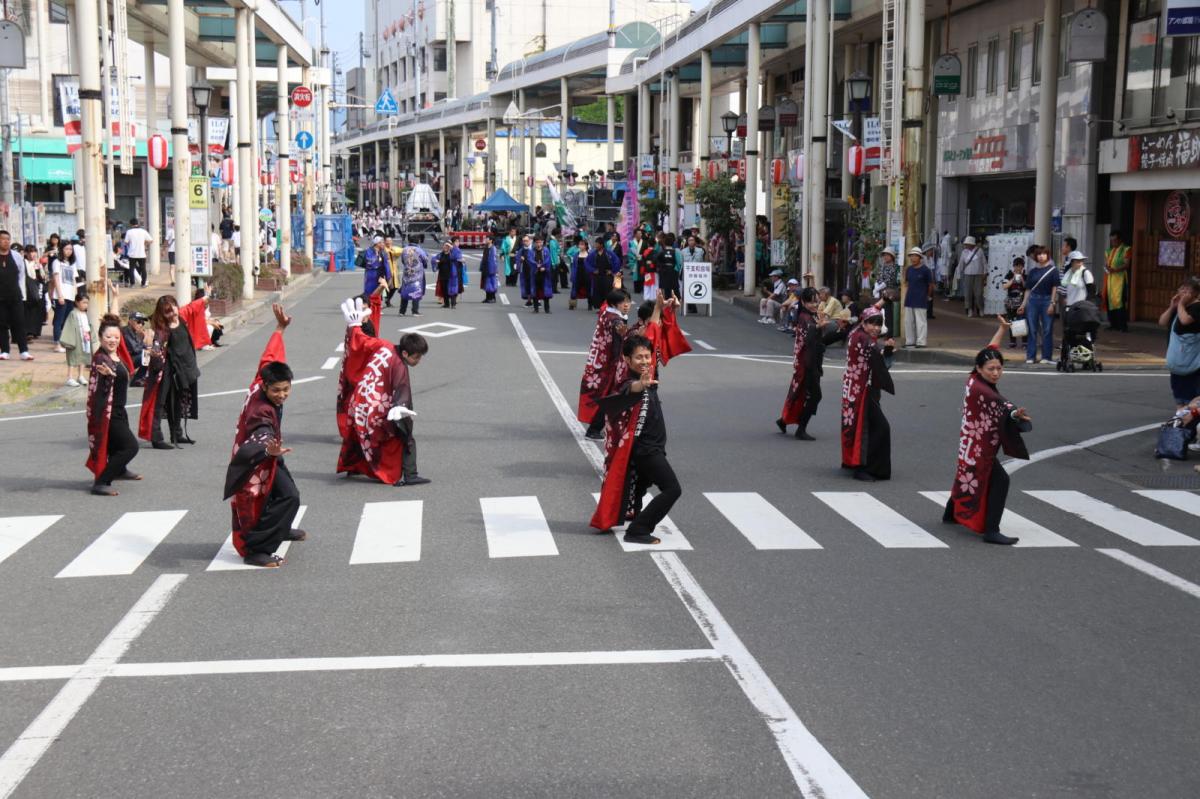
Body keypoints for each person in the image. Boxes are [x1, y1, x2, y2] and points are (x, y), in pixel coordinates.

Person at [223, 304, 307, 568]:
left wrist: (280, 329)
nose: (282, 394)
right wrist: (268, 451)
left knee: (282, 492)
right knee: (289, 495)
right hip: (256, 455)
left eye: (286, 389)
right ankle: (256, 549)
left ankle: (279, 529)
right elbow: (261, 432)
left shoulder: (263, 376)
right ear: (266, 386)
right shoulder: (262, 410)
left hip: (269, 451)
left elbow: (270, 355)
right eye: (277, 391)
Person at [942, 319, 1032, 545]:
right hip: (980, 445)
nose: (996, 373)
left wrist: (1002, 329)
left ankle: (951, 513)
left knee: (966, 474)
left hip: (969, 440)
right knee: (1000, 481)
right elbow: (1004, 406)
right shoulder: (984, 391)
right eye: (991, 369)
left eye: (999, 368)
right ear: (980, 368)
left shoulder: (972, 379)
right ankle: (991, 529)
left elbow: (990, 349)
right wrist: (1016, 415)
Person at [589, 334, 682, 545]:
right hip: (645, 449)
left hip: (653, 446)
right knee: (672, 489)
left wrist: (659, 309)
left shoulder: (649, 375)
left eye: (647, 356)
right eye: (638, 357)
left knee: (639, 486)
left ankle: (633, 514)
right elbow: (631, 388)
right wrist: (641, 384)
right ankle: (639, 529)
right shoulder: (628, 381)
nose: (644, 361)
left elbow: (653, 332)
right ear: (627, 360)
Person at [338, 297, 430, 486]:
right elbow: (402, 389)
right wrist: (400, 408)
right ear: (405, 353)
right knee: (403, 437)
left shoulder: (384, 346)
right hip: (374, 408)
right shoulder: (399, 366)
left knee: (358, 436)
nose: (418, 361)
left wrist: (353, 326)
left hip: (360, 402)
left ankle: (354, 466)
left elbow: (361, 342)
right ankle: (409, 474)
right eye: (417, 357)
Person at [139, 294, 206, 448]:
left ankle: (177, 433)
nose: (172, 314)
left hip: (180, 369)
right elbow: (158, 342)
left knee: (176, 401)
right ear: (162, 314)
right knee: (160, 402)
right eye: (167, 312)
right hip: (165, 369)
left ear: (176, 306)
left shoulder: (181, 320)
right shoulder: (163, 329)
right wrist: (155, 349)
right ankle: (156, 438)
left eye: (173, 309)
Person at [86, 314, 140, 496]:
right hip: (109, 413)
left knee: (116, 445)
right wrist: (108, 375)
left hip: (119, 409)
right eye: (108, 337)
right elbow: (99, 381)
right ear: (101, 338)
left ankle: (120, 470)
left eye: (116, 337)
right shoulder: (101, 359)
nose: (113, 340)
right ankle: (102, 481)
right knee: (130, 447)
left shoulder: (115, 355)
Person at [777, 287, 840, 440]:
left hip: (811, 360)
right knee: (814, 396)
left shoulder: (811, 316)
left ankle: (784, 420)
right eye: (810, 302)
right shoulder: (804, 318)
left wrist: (837, 331)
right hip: (807, 363)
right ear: (803, 302)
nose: (814, 304)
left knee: (801, 393)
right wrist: (818, 327)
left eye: (816, 301)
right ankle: (801, 428)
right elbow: (808, 340)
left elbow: (819, 340)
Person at [841, 306, 895, 482]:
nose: (876, 328)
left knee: (856, 426)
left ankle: (852, 462)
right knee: (875, 428)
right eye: (873, 324)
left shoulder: (855, 333)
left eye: (879, 325)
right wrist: (887, 352)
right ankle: (863, 467)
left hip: (852, 387)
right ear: (864, 323)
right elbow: (881, 365)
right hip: (863, 390)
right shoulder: (867, 341)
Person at [579, 289, 632, 439]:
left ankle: (599, 428)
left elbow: (604, 304)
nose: (626, 305)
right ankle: (594, 429)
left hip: (598, 361)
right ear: (614, 304)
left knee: (605, 395)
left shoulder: (605, 312)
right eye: (622, 302)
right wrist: (620, 364)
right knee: (609, 396)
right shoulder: (616, 320)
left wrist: (616, 284)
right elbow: (617, 345)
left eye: (628, 301)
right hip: (608, 364)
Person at [1158, 277, 1200, 409]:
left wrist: (1181, 305)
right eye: (1181, 289)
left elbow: (1185, 320)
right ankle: (1181, 419)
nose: (1183, 292)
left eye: (1187, 290)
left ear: (1195, 294)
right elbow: (1162, 322)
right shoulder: (1178, 308)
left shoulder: (1197, 307)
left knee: (1191, 397)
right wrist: (1172, 307)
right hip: (1178, 358)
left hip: (1192, 360)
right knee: (1179, 396)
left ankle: (1188, 421)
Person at [1017, 246, 1060, 364]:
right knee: (1032, 329)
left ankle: (1046, 357)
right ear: (1036, 257)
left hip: (1047, 300)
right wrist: (1023, 304)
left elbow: (1054, 288)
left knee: (1047, 329)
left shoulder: (1053, 270)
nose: (1041, 256)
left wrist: (1052, 303)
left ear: (1048, 255)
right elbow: (1028, 289)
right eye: (1039, 254)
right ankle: (1030, 356)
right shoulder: (1033, 271)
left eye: (1044, 254)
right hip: (1033, 301)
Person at [0, 229, 31, 361]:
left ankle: (23, 351)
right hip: (0, 298)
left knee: (19, 323)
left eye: (8, 239)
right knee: (1, 324)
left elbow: (22, 276)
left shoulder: (16, 256)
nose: (6, 241)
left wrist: (23, 294)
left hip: (15, 296)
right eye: (3, 239)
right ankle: (5, 351)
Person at [902, 246, 933, 348]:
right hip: (909, 299)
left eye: (915, 256)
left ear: (920, 257)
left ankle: (921, 342)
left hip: (921, 299)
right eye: (911, 256)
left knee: (921, 322)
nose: (913, 258)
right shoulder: (909, 269)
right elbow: (906, 283)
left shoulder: (926, 270)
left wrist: (928, 296)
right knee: (908, 322)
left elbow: (930, 285)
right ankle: (910, 341)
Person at [59, 293, 92, 386]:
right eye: (83, 302)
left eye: (87, 303)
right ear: (77, 302)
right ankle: (70, 377)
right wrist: (70, 340)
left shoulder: (85, 313)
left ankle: (80, 376)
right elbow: (69, 327)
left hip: (85, 339)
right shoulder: (73, 313)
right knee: (73, 358)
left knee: (83, 357)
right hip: (76, 339)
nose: (86, 305)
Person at [1103, 231, 1131, 332]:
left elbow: (1126, 264)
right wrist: (1107, 268)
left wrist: (1115, 269)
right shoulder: (1108, 251)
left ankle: (1122, 326)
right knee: (1109, 300)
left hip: (1120, 279)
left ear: (1120, 240)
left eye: (1115, 240)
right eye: (1111, 240)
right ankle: (1113, 324)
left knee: (1120, 302)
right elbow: (1106, 263)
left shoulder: (1126, 249)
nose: (1113, 242)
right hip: (1110, 279)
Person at [520, 235, 555, 313]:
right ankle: (536, 309)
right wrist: (536, 265)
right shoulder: (531, 251)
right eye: (537, 242)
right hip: (535, 273)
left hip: (544, 273)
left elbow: (548, 260)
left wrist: (544, 267)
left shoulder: (546, 250)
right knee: (535, 291)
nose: (539, 244)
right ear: (534, 243)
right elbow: (529, 260)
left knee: (545, 291)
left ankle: (547, 309)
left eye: (540, 242)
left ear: (542, 242)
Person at [957, 236, 987, 317]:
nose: (966, 245)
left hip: (978, 274)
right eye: (965, 244)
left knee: (979, 293)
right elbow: (961, 264)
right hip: (967, 274)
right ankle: (969, 309)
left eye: (967, 244)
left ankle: (980, 308)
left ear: (972, 244)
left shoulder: (979, 251)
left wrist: (985, 272)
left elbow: (984, 262)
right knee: (968, 293)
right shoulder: (964, 252)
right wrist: (958, 275)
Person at [22, 243, 46, 341]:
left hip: (37, 289)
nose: (33, 254)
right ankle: (28, 331)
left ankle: (35, 331)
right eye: (30, 252)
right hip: (26, 290)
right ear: (26, 253)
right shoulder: (23, 262)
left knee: (37, 309)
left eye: (34, 252)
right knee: (27, 311)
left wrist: (39, 267)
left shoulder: (37, 263)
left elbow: (43, 277)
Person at [1002, 257, 1027, 349]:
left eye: (1020, 266)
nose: (1018, 268)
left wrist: (1022, 279)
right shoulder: (1009, 275)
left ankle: (1025, 342)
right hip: (1011, 302)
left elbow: (1026, 287)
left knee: (1023, 321)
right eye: (1016, 266)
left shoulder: (1025, 275)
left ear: (1023, 267)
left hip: (1021, 302)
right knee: (1012, 321)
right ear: (1013, 266)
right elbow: (1004, 286)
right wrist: (1013, 279)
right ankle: (1013, 341)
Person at [397, 243, 428, 315]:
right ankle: (415, 310)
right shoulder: (419, 250)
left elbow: (402, 260)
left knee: (405, 291)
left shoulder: (404, 249)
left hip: (407, 273)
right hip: (417, 274)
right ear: (418, 241)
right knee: (416, 291)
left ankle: (402, 311)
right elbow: (425, 259)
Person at [123, 218, 153, 288]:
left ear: (131, 224)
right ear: (137, 223)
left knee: (131, 269)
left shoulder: (129, 232)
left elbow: (126, 242)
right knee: (143, 269)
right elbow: (151, 240)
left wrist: (130, 244)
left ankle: (132, 284)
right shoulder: (143, 231)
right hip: (142, 253)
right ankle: (143, 284)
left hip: (132, 254)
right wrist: (144, 244)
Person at [122, 311, 149, 386]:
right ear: (130, 321)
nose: (141, 325)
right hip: (125, 360)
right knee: (147, 356)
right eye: (139, 322)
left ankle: (139, 378)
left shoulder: (135, 332)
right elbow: (135, 349)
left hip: (132, 358)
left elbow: (143, 346)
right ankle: (137, 379)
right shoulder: (125, 331)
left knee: (149, 354)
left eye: (142, 323)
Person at [434, 241, 463, 309]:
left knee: (452, 289)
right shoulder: (441, 254)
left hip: (451, 274)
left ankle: (453, 304)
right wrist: (435, 261)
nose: (445, 247)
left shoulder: (452, 254)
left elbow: (457, 255)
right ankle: (446, 304)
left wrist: (452, 247)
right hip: (442, 274)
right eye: (444, 246)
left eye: (447, 246)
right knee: (444, 290)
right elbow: (434, 259)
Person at [570, 238, 592, 310]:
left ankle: (590, 305)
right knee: (575, 289)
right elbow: (573, 266)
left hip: (587, 274)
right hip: (578, 273)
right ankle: (572, 304)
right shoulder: (576, 255)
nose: (580, 246)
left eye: (582, 245)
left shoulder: (589, 255)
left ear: (586, 246)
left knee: (588, 289)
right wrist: (572, 275)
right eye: (579, 244)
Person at [480, 236, 500, 303]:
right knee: (486, 283)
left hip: (491, 268)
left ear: (491, 241)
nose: (486, 240)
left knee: (492, 283)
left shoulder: (493, 248)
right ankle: (487, 298)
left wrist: (493, 269)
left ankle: (493, 298)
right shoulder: (486, 248)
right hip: (485, 267)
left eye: (487, 239)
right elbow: (483, 258)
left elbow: (493, 260)